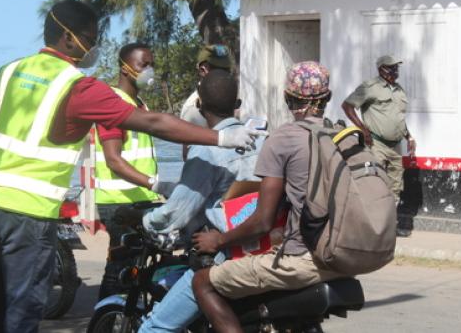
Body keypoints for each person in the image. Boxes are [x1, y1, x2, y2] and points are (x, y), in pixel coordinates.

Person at [0, 0, 264, 333]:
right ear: (68, 38)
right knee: (23, 311)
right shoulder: (76, 86)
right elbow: (152, 122)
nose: (93, 48)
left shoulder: (11, 70)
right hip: (27, 210)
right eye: (89, 39)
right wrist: (222, 139)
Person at [192, 61, 342, 333]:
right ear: (328, 98)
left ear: (287, 99)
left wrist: (219, 239)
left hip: (304, 258)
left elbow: (262, 221)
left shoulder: (283, 139)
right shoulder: (345, 137)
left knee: (203, 282)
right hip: (343, 256)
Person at [137, 69, 262, 332]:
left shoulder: (206, 150)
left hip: (223, 254)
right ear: (237, 106)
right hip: (263, 248)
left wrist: (147, 222)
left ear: (199, 106)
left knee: (154, 328)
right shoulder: (261, 141)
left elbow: (178, 212)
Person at [95, 42, 166, 299]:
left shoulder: (138, 104)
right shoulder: (112, 104)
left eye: (152, 64)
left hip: (139, 199)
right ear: (125, 69)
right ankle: (104, 322)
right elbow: (113, 160)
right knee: (119, 271)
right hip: (118, 202)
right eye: (143, 65)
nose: (150, 70)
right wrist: (154, 183)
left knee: (136, 269)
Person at [341, 55, 416, 237]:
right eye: (390, 68)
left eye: (396, 68)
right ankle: (370, 226)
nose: (394, 72)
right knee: (375, 183)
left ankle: (388, 225)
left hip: (396, 145)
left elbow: (397, 118)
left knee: (395, 185)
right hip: (376, 143)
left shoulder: (399, 90)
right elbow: (348, 106)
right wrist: (363, 129)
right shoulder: (370, 87)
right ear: (381, 69)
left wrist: (409, 136)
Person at [180, 44, 232, 160]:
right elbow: (188, 155)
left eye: (226, 70)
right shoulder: (192, 108)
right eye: (218, 70)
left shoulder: (232, 96)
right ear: (203, 70)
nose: (224, 75)